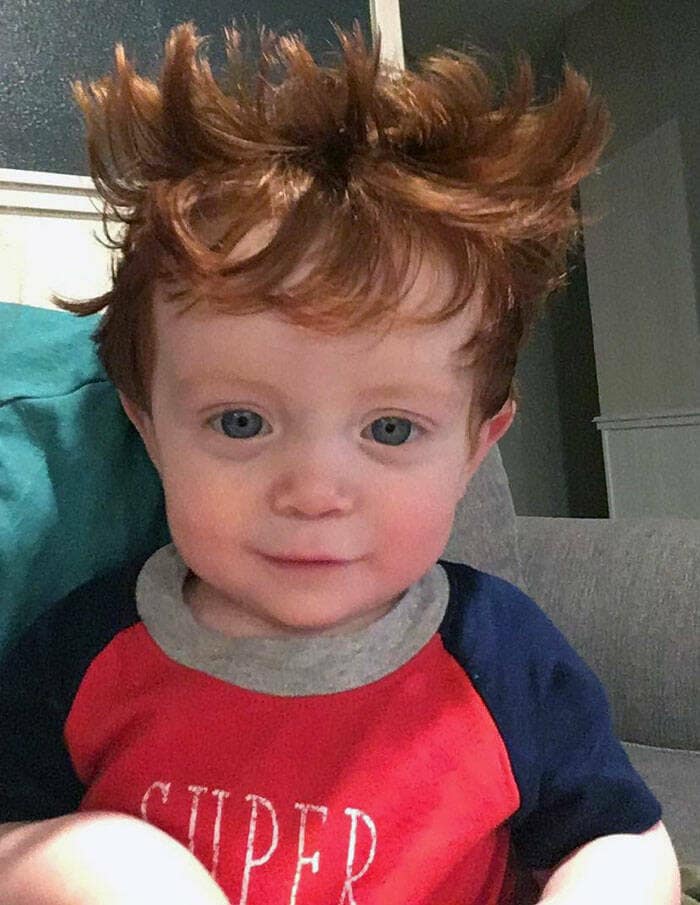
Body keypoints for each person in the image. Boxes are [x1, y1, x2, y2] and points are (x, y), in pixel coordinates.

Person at [0, 19, 681, 905]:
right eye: (240, 421)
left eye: (390, 429)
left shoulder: (499, 654)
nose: (314, 492)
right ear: (149, 428)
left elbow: (620, 836)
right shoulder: (84, 651)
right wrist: (83, 858)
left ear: (475, 448)